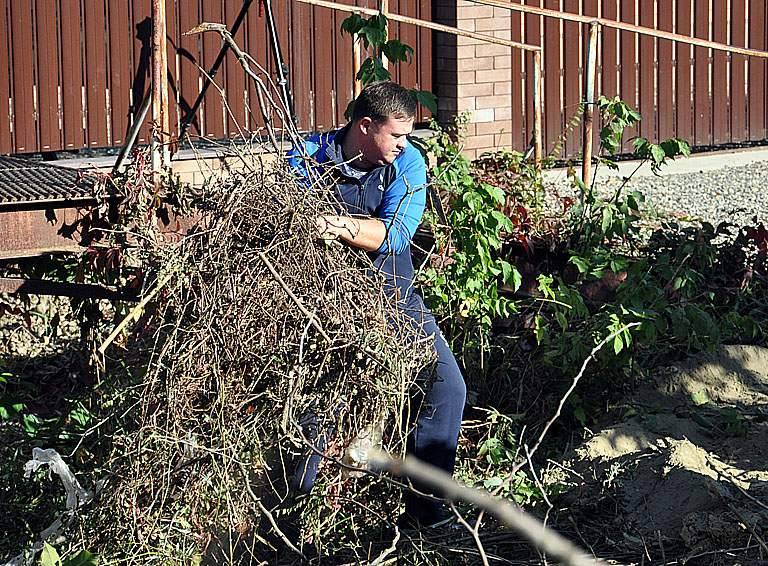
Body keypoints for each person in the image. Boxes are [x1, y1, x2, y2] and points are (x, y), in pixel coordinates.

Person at [287, 81, 466, 527]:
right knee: (316, 406)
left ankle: (425, 513)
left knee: (448, 389)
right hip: (325, 304)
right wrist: (334, 228)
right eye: (397, 134)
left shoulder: (407, 163)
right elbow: (292, 225)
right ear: (365, 126)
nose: (405, 143)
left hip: (394, 296)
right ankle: (294, 516)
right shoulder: (305, 155)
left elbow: (395, 235)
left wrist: (334, 225)